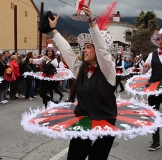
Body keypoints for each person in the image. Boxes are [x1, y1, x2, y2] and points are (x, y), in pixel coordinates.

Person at [49, 3, 117, 160]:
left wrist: (92, 21)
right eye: (83, 47)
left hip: (105, 123)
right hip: (83, 121)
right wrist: (54, 30)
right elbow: (67, 51)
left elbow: (101, 50)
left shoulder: (107, 70)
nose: (84, 50)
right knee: (73, 157)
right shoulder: (80, 69)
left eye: (88, 47)